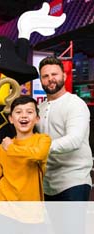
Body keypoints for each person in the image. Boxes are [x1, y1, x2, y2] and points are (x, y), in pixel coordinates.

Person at [37, 56, 92, 234]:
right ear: (41, 80)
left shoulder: (75, 104)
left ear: (64, 76)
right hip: (48, 182)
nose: (50, 79)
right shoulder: (41, 108)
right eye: (45, 76)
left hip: (73, 180)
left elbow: (74, 140)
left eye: (54, 74)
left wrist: (38, 148)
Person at [0, 96, 51, 234]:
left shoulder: (43, 140)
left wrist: (11, 148)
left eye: (29, 112)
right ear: (11, 119)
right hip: (3, 211)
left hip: (33, 215)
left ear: (37, 118)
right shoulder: (4, 147)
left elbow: (38, 154)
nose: (24, 115)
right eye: (18, 112)